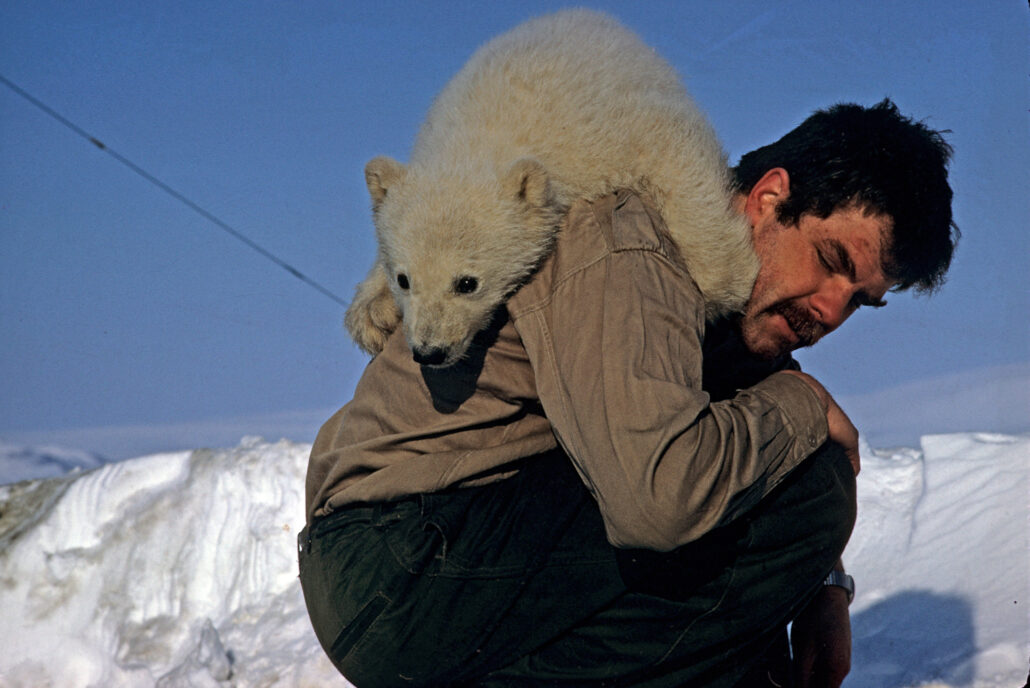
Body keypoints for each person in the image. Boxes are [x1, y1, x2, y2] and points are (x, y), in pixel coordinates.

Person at [299, 99, 956, 687]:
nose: (831, 310)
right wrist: (807, 408)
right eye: (832, 262)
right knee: (795, 485)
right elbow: (658, 503)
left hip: (423, 552)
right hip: (400, 556)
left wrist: (823, 589)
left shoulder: (725, 303)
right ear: (768, 198)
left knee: (758, 466)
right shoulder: (640, 237)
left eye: (859, 302)